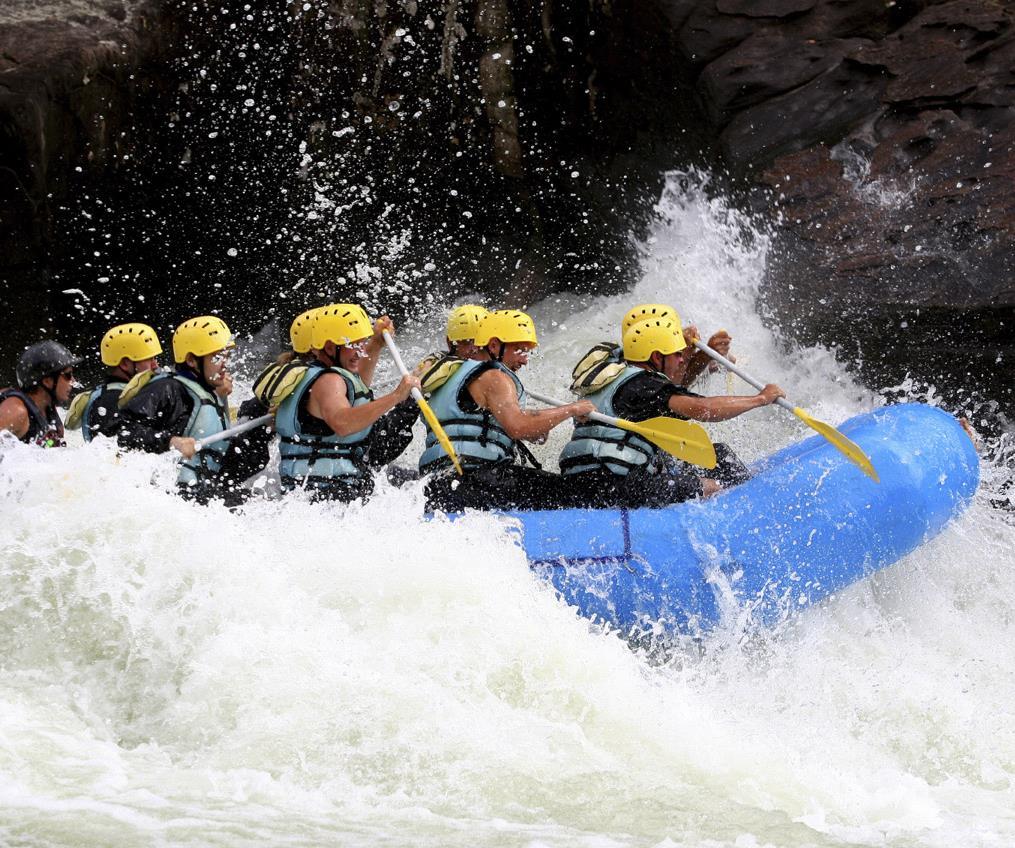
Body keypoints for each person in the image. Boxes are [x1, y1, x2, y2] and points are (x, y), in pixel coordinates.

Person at [560, 315, 785, 507]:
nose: (681, 359)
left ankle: (755, 497)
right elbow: (703, 409)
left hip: (593, 476)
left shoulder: (615, 373)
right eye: (677, 354)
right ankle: (750, 513)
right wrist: (761, 398)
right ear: (656, 357)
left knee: (718, 455)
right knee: (710, 487)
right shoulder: (644, 386)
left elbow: (677, 386)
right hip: (612, 483)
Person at [420, 309, 594, 511]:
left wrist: (538, 424)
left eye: (528, 352)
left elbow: (518, 427)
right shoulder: (495, 378)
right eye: (519, 349)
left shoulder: (451, 374)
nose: (524, 359)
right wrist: (572, 409)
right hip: (474, 479)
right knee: (577, 490)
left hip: (436, 483)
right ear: (494, 345)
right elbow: (518, 427)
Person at [273, 303, 421, 502]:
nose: (361, 352)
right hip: (327, 495)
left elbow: (357, 386)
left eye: (362, 343)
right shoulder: (328, 381)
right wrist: (396, 396)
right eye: (354, 345)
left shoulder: (320, 375)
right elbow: (342, 423)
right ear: (329, 347)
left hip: (315, 493)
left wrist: (376, 343)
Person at [117, 315, 270, 504]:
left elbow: (231, 463)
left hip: (203, 494)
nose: (224, 364)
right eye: (217, 356)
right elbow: (124, 431)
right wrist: (172, 442)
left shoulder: (209, 396)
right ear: (191, 360)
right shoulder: (168, 389)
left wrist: (266, 427)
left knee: (257, 501)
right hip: (174, 498)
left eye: (226, 356)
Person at [67, 323, 163, 442]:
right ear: (125, 364)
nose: (155, 365)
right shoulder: (110, 402)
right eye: (149, 359)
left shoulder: (108, 395)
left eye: (155, 358)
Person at [0, 341, 81, 446]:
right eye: (68, 375)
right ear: (47, 381)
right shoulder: (16, 412)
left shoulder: (51, 416)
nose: (73, 382)